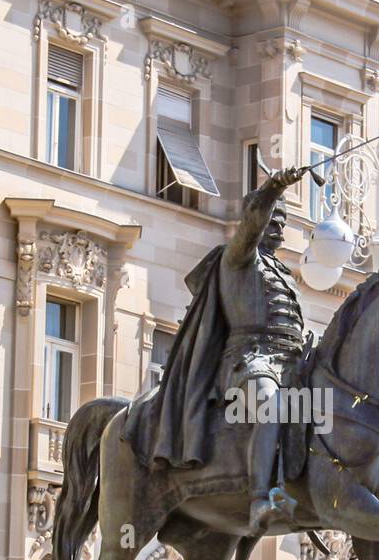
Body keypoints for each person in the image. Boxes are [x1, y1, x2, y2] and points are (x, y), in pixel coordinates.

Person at [122, 165, 309, 534]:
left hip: (290, 363)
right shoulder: (239, 258)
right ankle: (259, 498)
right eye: (273, 218)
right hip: (248, 361)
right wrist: (273, 188)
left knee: (327, 409)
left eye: (282, 222)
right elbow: (253, 224)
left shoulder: (285, 275)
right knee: (271, 407)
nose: (278, 227)